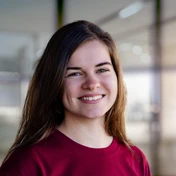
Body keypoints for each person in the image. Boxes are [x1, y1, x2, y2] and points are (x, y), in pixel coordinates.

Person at [0, 20, 152, 176]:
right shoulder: (28, 163)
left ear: (117, 76)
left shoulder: (136, 159)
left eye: (102, 69)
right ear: (55, 82)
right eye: (75, 73)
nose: (92, 84)